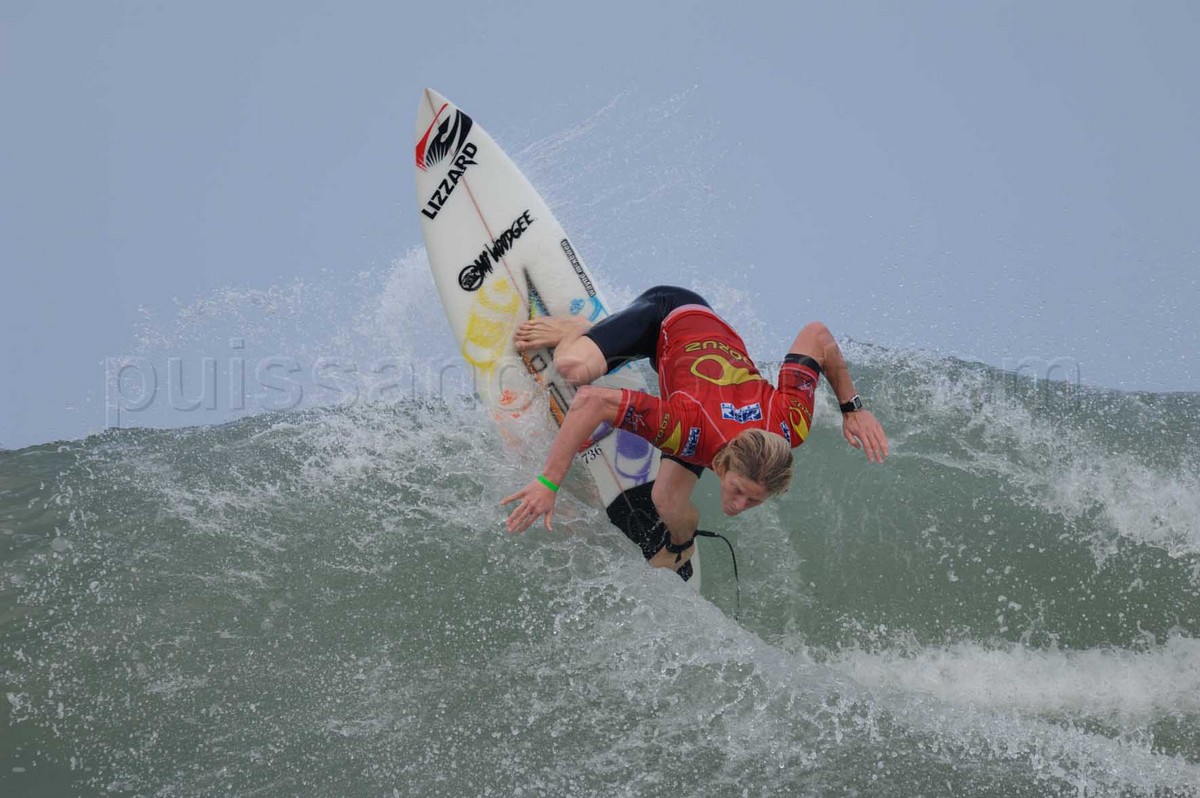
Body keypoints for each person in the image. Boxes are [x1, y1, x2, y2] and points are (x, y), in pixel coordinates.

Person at [501, 285, 888, 572]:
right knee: (572, 369)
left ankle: (680, 545)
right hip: (667, 315)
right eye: (739, 491)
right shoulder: (686, 428)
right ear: (725, 463)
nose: (738, 506)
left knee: (668, 501)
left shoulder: (790, 422)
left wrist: (851, 409)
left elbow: (818, 336)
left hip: (702, 378)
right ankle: (578, 329)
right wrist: (548, 483)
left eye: (752, 500)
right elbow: (591, 402)